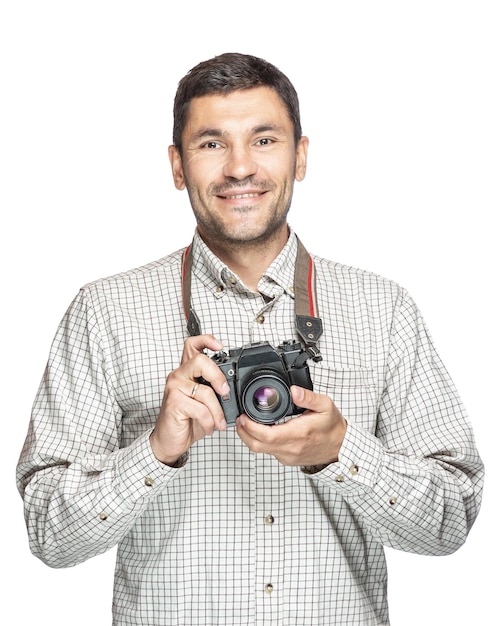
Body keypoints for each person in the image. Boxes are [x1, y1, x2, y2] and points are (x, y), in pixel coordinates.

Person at [17, 52, 484, 626]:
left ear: (301, 156)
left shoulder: (383, 310)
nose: (240, 168)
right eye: (211, 144)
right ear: (177, 166)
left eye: (264, 140)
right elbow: (47, 534)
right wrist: (155, 452)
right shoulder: (104, 312)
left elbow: (452, 520)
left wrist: (341, 453)